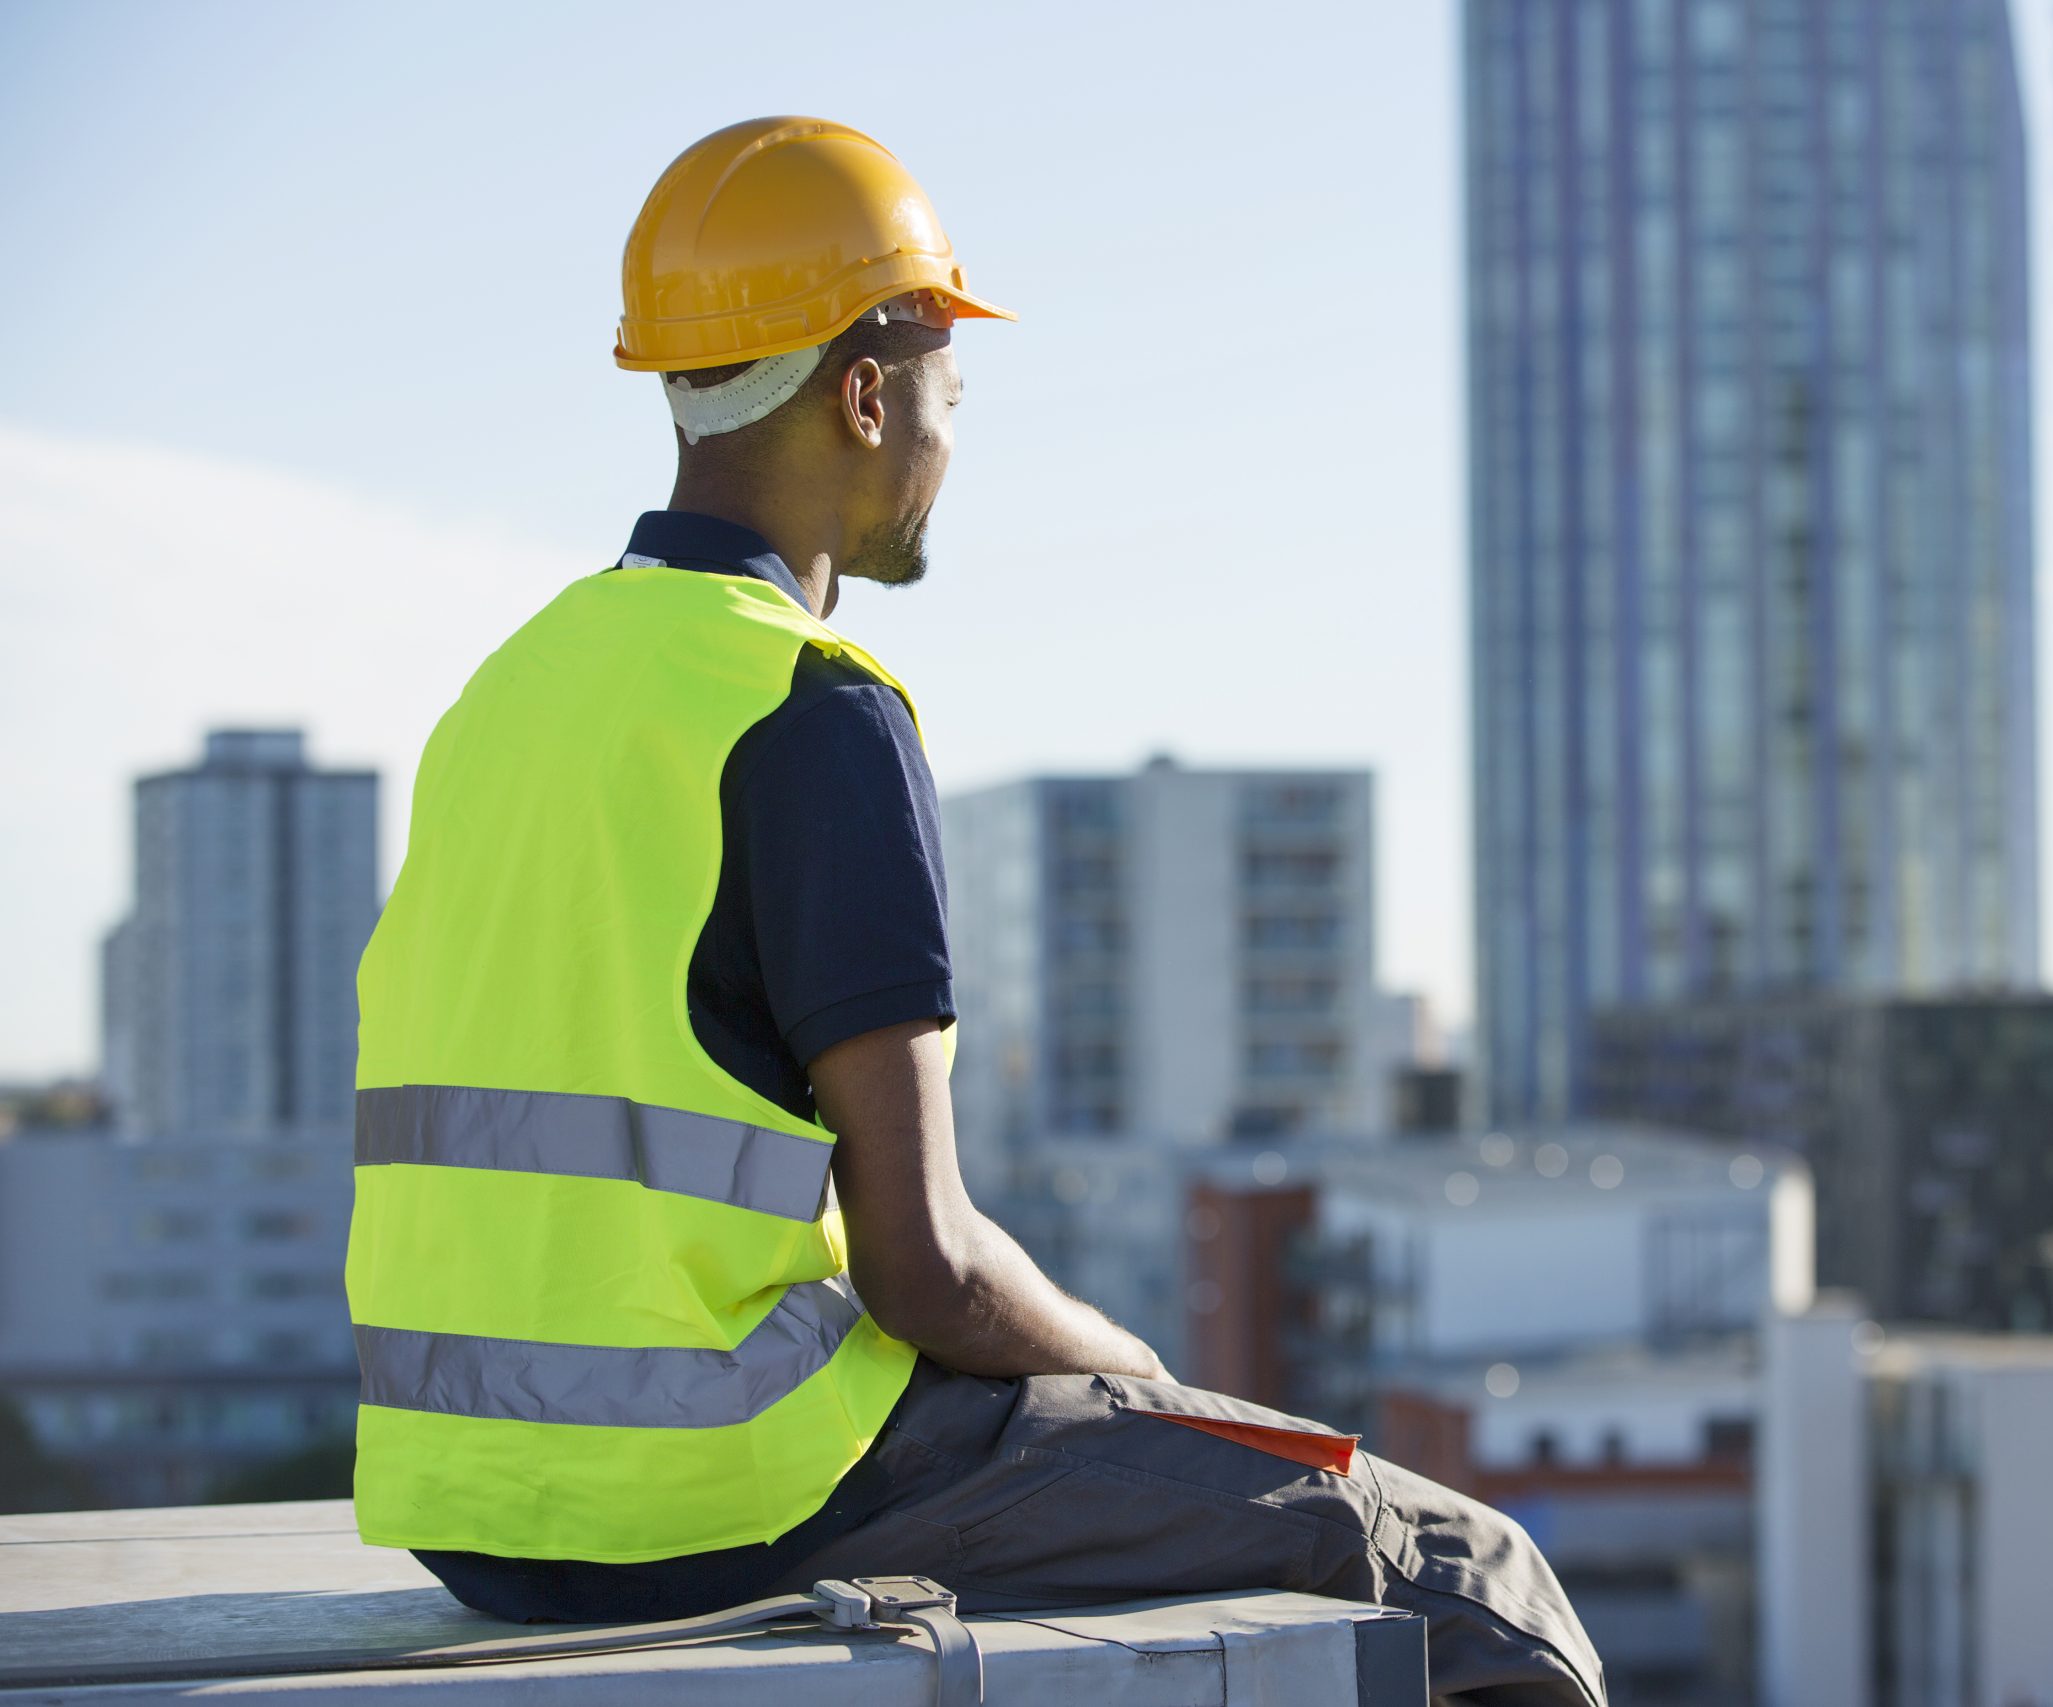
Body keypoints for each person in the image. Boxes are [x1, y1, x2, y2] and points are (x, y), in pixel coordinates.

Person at [344, 116, 1603, 1706]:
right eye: (951, 384)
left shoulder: (507, 694)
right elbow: (924, 1269)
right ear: (866, 395)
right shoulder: (806, 703)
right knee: (1458, 1568)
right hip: (722, 1491)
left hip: (475, 1511)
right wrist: (1132, 1371)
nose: (953, 431)